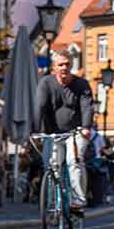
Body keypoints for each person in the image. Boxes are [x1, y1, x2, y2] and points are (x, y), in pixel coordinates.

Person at [35, 49, 94, 211]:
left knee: (73, 161)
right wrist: (34, 129)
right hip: (53, 132)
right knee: (52, 165)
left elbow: (87, 107)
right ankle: (55, 203)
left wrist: (87, 127)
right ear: (53, 67)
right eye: (60, 64)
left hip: (76, 131)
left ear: (72, 65)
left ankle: (78, 199)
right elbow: (39, 106)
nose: (64, 67)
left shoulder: (81, 84)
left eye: (67, 64)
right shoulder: (46, 83)